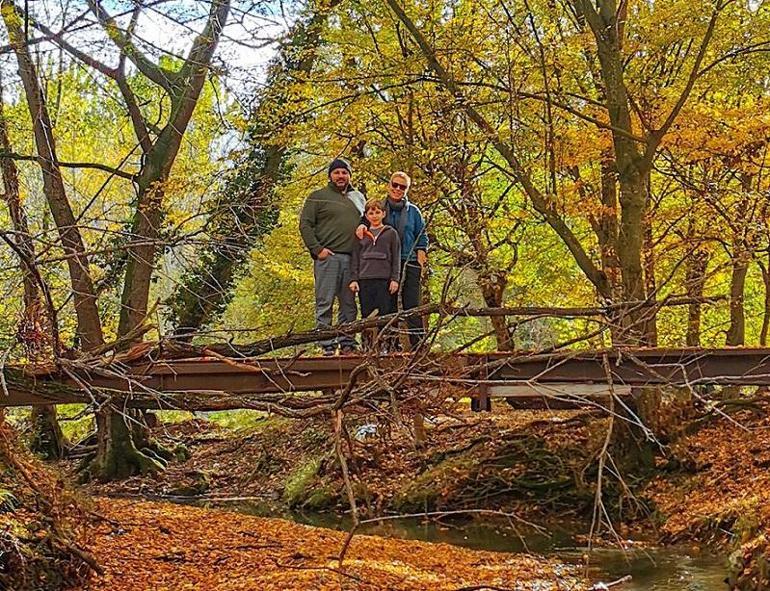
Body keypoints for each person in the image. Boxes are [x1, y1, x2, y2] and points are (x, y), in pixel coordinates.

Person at [299, 158, 365, 355]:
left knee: (349, 304)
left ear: (349, 175)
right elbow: (305, 225)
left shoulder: (358, 197)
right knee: (325, 302)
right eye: (336, 172)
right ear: (330, 175)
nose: (340, 176)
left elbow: (367, 220)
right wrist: (318, 250)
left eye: (344, 172)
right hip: (328, 258)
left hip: (352, 259)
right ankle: (327, 344)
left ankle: (347, 343)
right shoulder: (317, 197)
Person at [358, 171, 428, 349]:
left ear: (407, 190)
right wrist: (360, 225)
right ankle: (390, 344)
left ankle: (418, 345)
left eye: (402, 186)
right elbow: (365, 222)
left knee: (412, 305)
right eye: (395, 185)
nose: (398, 189)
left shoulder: (413, 211)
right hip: (386, 264)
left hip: (409, 260)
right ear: (389, 185)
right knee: (388, 306)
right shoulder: (379, 207)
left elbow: (422, 235)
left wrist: (421, 257)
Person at [349, 199, 401, 350]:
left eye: (377, 212)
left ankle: (389, 346)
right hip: (365, 280)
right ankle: (368, 347)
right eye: (371, 213)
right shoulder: (361, 234)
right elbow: (355, 257)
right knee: (367, 315)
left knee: (387, 313)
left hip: (384, 280)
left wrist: (395, 279)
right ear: (366, 215)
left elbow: (396, 258)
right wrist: (354, 279)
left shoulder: (391, 233)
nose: (374, 215)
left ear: (383, 214)